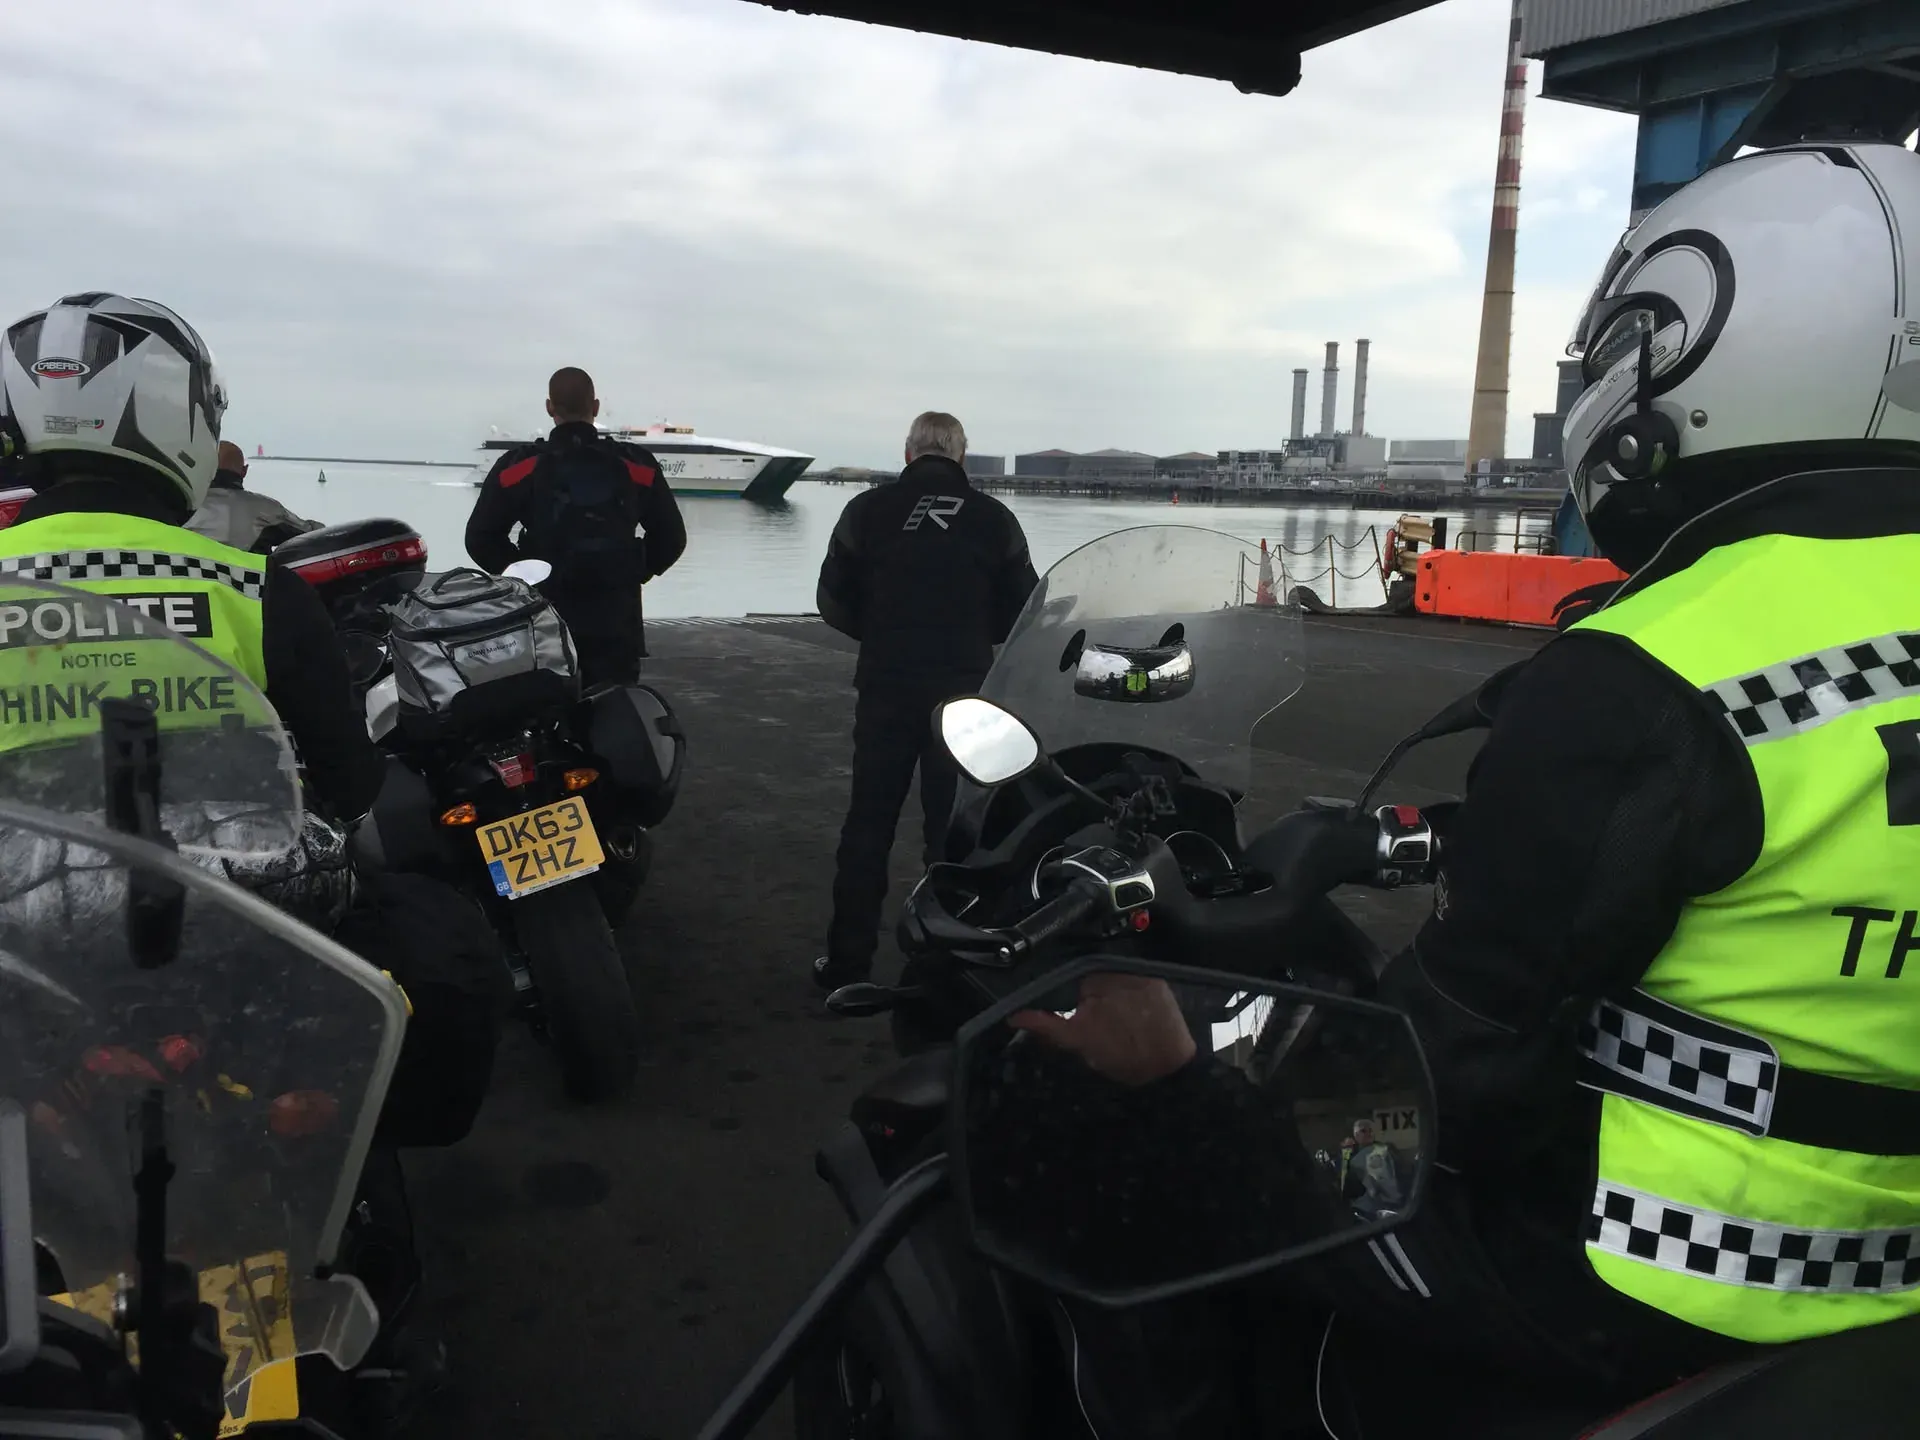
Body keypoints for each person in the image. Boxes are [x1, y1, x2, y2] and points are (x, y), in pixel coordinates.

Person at [1003, 141, 1920, 1429]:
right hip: (1897, 1271)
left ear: (1701, 346)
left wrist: (1199, 1081)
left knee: (1190, 1171)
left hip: (1647, 1275)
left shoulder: (1663, 661)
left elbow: (1450, 1087)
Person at [812, 411, 1038, 989]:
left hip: (886, 684)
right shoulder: (995, 520)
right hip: (962, 692)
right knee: (952, 828)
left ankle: (846, 964)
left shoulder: (866, 512)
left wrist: (883, 634)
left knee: (868, 822)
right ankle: (947, 964)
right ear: (962, 456)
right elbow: (1023, 612)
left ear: (908, 454)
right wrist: (968, 635)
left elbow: (832, 600)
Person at [464, 367, 686, 687]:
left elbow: (480, 539)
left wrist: (525, 577)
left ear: (550, 407)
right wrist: (632, 569)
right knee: (614, 715)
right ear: (594, 408)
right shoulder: (637, 465)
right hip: (616, 622)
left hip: (542, 618)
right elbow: (672, 539)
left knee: (543, 718)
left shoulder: (521, 467)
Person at [186, 439, 322, 553]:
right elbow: (313, 535)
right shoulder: (266, 509)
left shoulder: (181, 505)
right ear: (244, 471)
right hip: (250, 583)